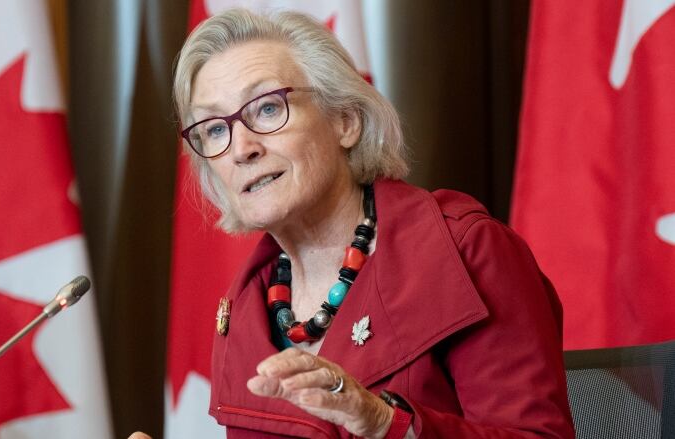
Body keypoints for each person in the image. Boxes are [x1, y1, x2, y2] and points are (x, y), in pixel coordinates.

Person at [136, 8, 575, 439]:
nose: (241, 148)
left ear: (345, 121)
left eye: (267, 108)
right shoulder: (248, 305)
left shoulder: (466, 251)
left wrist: (387, 425)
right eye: (214, 129)